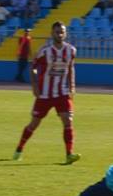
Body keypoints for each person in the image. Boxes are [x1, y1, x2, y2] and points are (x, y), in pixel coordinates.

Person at [14, 19, 80, 164]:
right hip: (45, 94)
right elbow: (33, 67)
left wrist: (72, 86)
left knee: (68, 121)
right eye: (57, 32)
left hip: (62, 92)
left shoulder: (71, 51)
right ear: (52, 33)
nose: (60, 34)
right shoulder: (45, 52)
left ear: (65, 33)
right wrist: (35, 86)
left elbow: (71, 68)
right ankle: (19, 148)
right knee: (34, 124)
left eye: (62, 32)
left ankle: (69, 154)